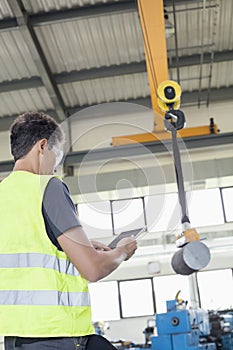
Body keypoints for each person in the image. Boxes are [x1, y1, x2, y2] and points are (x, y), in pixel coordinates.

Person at [0, 111, 137, 350]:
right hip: (58, 336)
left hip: (15, 340)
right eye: (58, 154)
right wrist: (122, 251)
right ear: (42, 146)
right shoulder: (47, 187)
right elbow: (92, 269)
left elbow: (28, 246)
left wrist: (72, 246)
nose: (56, 164)